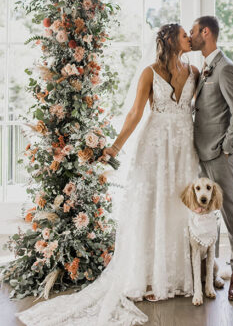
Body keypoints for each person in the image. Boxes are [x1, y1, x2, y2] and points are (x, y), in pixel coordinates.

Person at [16, 23, 200, 326]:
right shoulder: (149, 73)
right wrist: (114, 147)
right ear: (171, 41)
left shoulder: (193, 72)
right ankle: (151, 277)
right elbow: (135, 114)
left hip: (183, 147)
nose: (189, 38)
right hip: (155, 147)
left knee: (178, 207)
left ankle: (181, 274)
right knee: (152, 206)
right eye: (184, 34)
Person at [190, 15, 233, 302]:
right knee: (204, 217)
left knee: (231, 212)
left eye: (193, 32)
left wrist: (226, 147)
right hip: (200, 154)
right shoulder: (204, 68)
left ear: (206, 32)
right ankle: (210, 271)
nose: (190, 37)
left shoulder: (225, 69)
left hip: (219, 155)